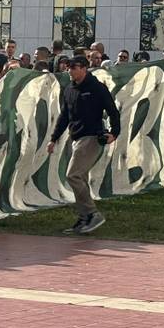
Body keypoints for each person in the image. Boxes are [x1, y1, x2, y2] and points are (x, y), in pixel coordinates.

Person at [47, 55, 121, 234]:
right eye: (68, 67)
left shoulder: (97, 87)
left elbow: (112, 111)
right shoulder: (69, 89)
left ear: (85, 68)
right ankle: (84, 218)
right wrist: (53, 138)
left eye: (74, 67)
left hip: (92, 137)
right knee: (81, 178)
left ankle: (92, 213)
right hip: (77, 138)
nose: (70, 70)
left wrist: (114, 133)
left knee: (73, 175)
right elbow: (64, 116)